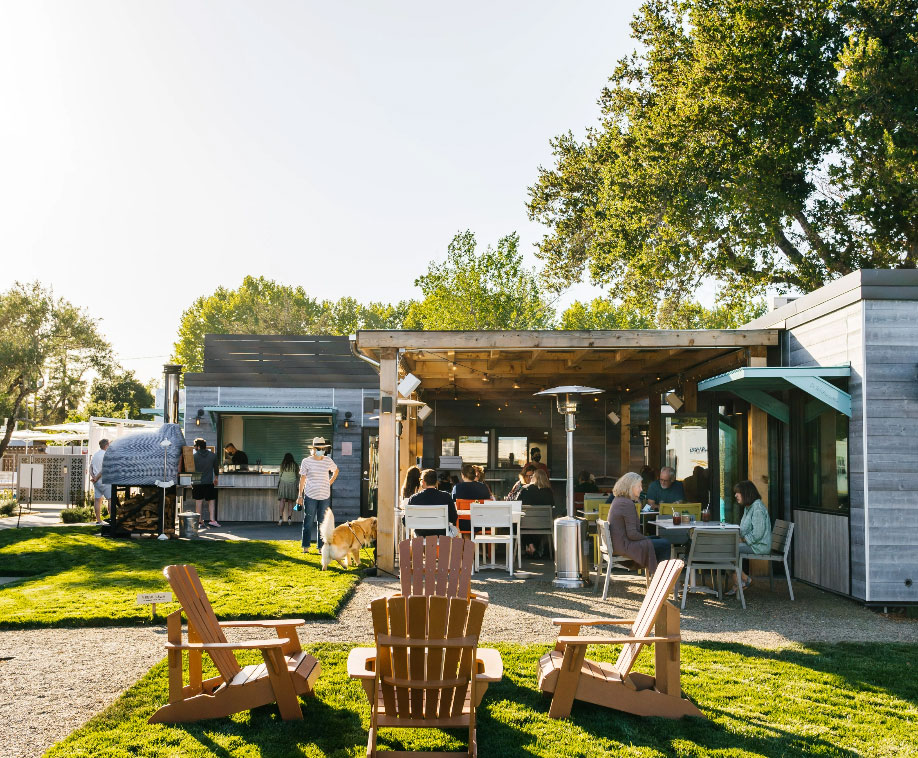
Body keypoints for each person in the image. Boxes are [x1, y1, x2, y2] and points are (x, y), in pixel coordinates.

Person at [609, 472, 670, 575]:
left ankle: (658, 576)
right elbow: (632, 534)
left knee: (658, 539)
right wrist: (646, 539)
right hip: (624, 546)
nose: (641, 489)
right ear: (631, 486)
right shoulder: (626, 503)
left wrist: (648, 539)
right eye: (639, 486)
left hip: (619, 544)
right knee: (664, 544)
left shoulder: (619, 500)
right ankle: (661, 579)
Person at [729, 480, 772, 594]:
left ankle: (741, 581)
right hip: (752, 544)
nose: (735, 495)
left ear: (746, 493)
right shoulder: (749, 507)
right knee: (726, 549)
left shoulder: (757, 508)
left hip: (759, 546)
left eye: (738, 492)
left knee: (729, 550)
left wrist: (742, 539)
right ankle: (742, 580)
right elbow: (744, 529)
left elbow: (758, 534)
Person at [296, 437, 339, 554]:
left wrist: (330, 482)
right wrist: (300, 495)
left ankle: (321, 548)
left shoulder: (327, 461)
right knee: (308, 521)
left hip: (324, 496)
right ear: (314, 449)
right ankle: (306, 546)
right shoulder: (306, 461)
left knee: (322, 522)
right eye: (319, 448)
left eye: (323, 448)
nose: (321, 450)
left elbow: (336, 471)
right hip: (310, 496)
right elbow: (302, 479)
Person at [406, 468, 457, 537]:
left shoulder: (414, 498)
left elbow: (406, 520)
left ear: (423, 482)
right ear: (436, 482)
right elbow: (453, 518)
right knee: (456, 531)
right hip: (442, 533)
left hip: (421, 534)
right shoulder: (446, 496)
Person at [192, 438, 221, 527]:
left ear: (198, 446)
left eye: (195, 446)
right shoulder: (213, 455)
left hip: (197, 481)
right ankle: (212, 520)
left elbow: (190, 469)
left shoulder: (193, 456)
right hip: (209, 481)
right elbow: (216, 469)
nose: (194, 447)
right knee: (211, 501)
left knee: (199, 502)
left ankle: (200, 521)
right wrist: (216, 478)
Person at [89, 438, 110, 525]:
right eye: (109, 445)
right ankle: (111, 519)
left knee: (97, 500)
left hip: (96, 482)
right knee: (110, 499)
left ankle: (98, 520)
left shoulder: (95, 455)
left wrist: (93, 477)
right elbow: (104, 469)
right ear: (106, 446)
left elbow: (90, 467)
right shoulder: (106, 455)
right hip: (105, 480)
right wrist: (96, 477)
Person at [276, 452, 298, 525]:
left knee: (282, 500)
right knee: (290, 501)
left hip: (283, 483)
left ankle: (280, 519)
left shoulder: (282, 465)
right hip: (292, 484)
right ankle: (289, 519)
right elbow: (297, 474)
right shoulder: (295, 465)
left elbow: (280, 475)